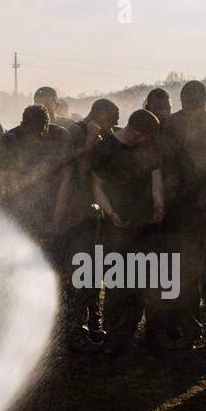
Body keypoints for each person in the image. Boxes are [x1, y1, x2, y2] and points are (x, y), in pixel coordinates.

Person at [90, 109, 165, 355]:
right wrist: (110, 212)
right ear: (135, 131)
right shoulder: (105, 150)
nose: (147, 141)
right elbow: (97, 186)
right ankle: (114, 336)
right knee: (117, 282)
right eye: (145, 136)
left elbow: (156, 178)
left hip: (144, 223)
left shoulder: (149, 149)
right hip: (117, 224)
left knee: (140, 280)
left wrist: (158, 205)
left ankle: (130, 332)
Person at [159, 81, 206, 347]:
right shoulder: (171, 124)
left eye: (196, 105)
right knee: (185, 269)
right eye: (187, 105)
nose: (192, 111)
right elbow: (166, 163)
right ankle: (189, 326)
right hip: (182, 207)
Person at [57, 99, 120, 347]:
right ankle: (75, 327)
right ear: (99, 116)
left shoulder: (105, 134)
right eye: (110, 122)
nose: (112, 127)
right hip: (76, 211)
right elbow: (74, 170)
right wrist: (90, 143)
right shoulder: (74, 133)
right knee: (77, 271)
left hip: (94, 212)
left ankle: (93, 321)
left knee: (93, 271)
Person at [0, 105, 72, 239]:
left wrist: (57, 219)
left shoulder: (61, 136)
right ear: (23, 126)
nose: (35, 140)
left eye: (41, 134)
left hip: (53, 196)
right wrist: (28, 218)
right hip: (21, 197)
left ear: (48, 126)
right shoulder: (10, 139)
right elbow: (9, 182)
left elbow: (66, 179)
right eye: (31, 134)